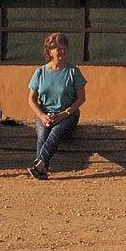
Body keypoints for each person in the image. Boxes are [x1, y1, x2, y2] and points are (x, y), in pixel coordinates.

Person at [26, 32, 87, 180]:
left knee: (55, 132)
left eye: (64, 48)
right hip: (45, 113)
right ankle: (41, 168)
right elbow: (31, 99)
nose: (62, 52)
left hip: (68, 114)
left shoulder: (73, 72)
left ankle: (39, 165)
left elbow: (81, 98)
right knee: (42, 133)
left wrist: (64, 114)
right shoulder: (40, 72)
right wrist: (42, 115)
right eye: (58, 49)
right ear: (50, 51)